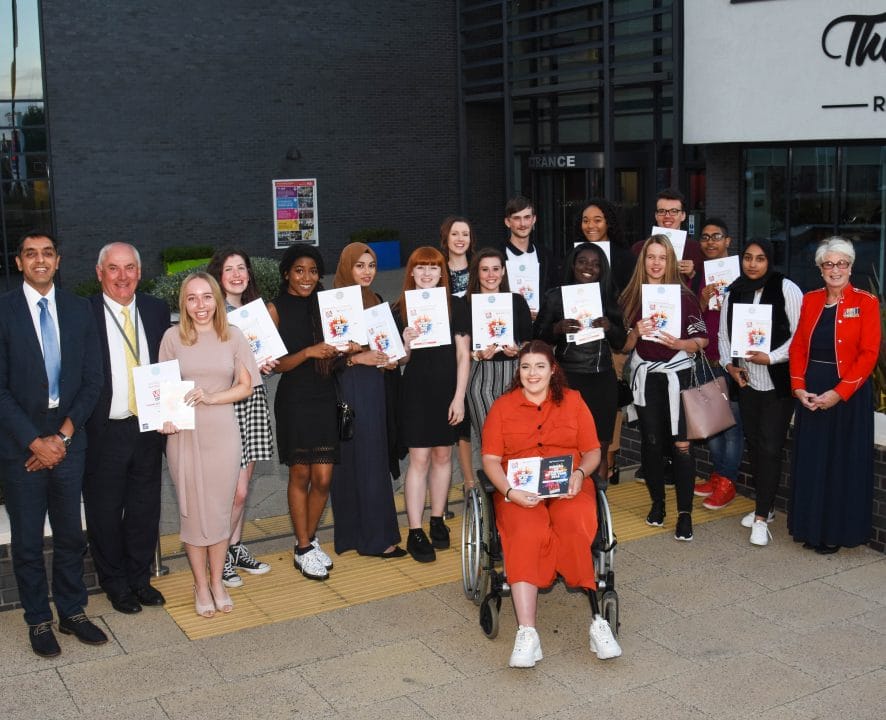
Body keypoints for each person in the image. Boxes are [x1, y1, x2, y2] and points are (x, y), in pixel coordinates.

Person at [481, 341, 621, 668]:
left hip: (568, 485)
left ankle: (597, 623)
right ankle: (527, 633)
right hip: (519, 490)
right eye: (526, 367)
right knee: (525, 530)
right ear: (519, 371)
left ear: (553, 370)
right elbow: (489, 460)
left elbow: (592, 450)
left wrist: (581, 474)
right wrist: (510, 491)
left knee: (573, 522)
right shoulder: (503, 407)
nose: (533, 374)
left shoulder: (573, 402)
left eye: (540, 366)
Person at [0, 231, 105, 657]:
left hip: (68, 437)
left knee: (69, 535)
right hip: (19, 442)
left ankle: (72, 611)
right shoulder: (3, 311)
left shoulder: (79, 310)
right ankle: (37, 619)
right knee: (26, 540)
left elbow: (93, 380)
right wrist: (34, 441)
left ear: (58, 261)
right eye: (31, 254)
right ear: (19, 262)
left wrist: (60, 437)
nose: (40, 260)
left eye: (47, 253)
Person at [159, 272, 259, 617]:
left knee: (218, 511)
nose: (200, 305)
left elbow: (245, 386)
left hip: (222, 432)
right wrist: (164, 416)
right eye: (191, 298)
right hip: (184, 434)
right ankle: (200, 584)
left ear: (216, 299)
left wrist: (213, 397)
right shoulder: (172, 337)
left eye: (206, 297)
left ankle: (217, 581)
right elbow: (160, 387)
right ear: (183, 303)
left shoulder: (233, 336)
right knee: (191, 511)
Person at [84, 242, 170, 616]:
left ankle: (140, 579)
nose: (123, 276)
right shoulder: (83, 312)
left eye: (130, 268)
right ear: (99, 272)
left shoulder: (154, 309)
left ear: (140, 271)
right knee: (105, 512)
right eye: (114, 269)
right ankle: (115, 583)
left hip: (148, 427)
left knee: (144, 508)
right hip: (104, 430)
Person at [788, 237, 880, 554]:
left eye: (842, 263)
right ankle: (809, 528)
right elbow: (799, 346)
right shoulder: (810, 300)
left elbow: (868, 355)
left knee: (841, 464)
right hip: (812, 390)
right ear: (820, 268)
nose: (835, 269)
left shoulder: (866, 302)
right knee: (813, 461)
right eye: (829, 264)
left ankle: (835, 532)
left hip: (848, 394)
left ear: (851, 267)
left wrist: (838, 394)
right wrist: (798, 386)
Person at [620, 235, 708, 541]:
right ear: (643, 260)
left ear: (670, 262)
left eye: (662, 257)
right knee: (652, 443)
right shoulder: (632, 297)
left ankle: (685, 513)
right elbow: (623, 346)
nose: (656, 263)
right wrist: (635, 331)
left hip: (678, 377)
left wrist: (680, 343)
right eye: (651, 257)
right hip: (647, 378)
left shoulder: (685, 297)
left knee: (682, 446)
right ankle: (658, 503)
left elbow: (702, 341)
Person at [718, 239, 802, 547]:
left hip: (777, 385)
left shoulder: (786, 289)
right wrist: (729, 365)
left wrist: (772, 357)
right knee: (754, 446)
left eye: (760, 258)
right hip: (747, 383)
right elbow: (723, 335)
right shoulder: (734, 291)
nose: (753, 264)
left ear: (770, 261)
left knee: (769, 448)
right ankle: (763, 506)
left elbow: (800, 335)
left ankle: (761, 519)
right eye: (748, 258)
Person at [268, 245, 340, 581]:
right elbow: (273, 365)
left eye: (312, 271)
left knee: (323, 478)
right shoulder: (275, 309)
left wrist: (350, 347)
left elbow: (341, 347)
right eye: (299, 270)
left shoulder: (330, 305)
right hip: (294, 397)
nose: (306, 277)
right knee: (301, 475)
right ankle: (302, 546)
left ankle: (308, 541)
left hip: (325, 395)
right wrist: (309, 351)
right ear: (286, 274)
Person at [394, 246, 470, 563]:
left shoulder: (456, 306)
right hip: (415, 389)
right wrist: (406, 342)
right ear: (411, 272)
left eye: (433, 268)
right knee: (419, 459)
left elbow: (463, 354)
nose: (427, 273)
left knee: (443, 455)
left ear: (442, 274)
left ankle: (437, 518)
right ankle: (414, 529)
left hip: (447, 389)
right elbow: (400, 359)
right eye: (420, 268)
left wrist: (459, 397)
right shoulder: (400, 308)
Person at [329, 242, 405, 558]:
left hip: (375, 385)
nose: (366, 272)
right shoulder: (333, 302)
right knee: (357, 459)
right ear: (347, 266)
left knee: (371, 458)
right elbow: (327, 353)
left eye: (371, 265)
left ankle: (365, 536)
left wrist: (392, 359)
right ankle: (371, 539)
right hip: (351, 385)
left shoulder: (375, 300)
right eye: (359, 265)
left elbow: (387, 349)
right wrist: (358, 359)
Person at [207, 248, 274, 588]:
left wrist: (264, 363)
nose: (236, 274)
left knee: (242, 491)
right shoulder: (211, 313)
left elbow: (261, 357)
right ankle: (219, 557)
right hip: (225, 404)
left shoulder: (254, 313)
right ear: (218, 275)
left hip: (252, 401)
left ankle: (233, 548)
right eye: (229, 269)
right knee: (231, 491)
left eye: (242, 268)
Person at [534, 242, 627, 486]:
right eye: (583, 262)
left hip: (602, 380)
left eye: (596, 264)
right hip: (568, 379)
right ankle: (564, 499)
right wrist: (556, 328)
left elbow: (621, 342)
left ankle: (598, 507)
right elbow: (538, 336)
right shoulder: (555, 296)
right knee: (565, 444)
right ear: (573, 264)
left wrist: (610, 327)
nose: (589, 268)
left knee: (600, 445)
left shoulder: (607, 296)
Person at [575, 198, 633, 484]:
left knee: (610, 408)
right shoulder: (577, 254)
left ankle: (607, 465)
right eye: (586, 220)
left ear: (608, 222)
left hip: (612, 342)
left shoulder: (624, 257)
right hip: (582, 345)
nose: (591, 225)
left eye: (597, 219)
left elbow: (632, 298)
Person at [691, 219, 743, 510]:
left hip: (729, 359)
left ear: (728, 240)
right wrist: (701, 300)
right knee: (711, 423)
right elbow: (695, 318)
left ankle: (728, 480)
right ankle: (718, 474)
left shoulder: (741, 277)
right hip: (703, 357)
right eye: (705, 237)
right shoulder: (703, 276)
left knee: (732, 424)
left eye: (717, 237)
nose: (710, 242)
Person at [465, 247, 532, 439]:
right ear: (477, 273)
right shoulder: (466, 304)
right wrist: (476, 354)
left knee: (518, 439)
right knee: (491, 441)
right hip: (480, 380)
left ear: (503, 271)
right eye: (485, 269)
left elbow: (528, 341)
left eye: (496, 268)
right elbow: (460, 349)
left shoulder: (518, 302)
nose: (491, 275)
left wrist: (519, 350)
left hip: (515, 379)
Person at [441, 215, 477, 496]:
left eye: (465, 234)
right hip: (449, 350)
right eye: (455, 234)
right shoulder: (437, 270)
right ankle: (468, 482)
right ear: (446, 237)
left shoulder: (480, 268)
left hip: (484, 348)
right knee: (460, 419)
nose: (460, 239)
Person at [632, 189, 705, 291]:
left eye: (674, 211)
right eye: (662, 211)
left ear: (683, 216)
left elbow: (704, 289)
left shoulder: (695, 249)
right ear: (656, 215)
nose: (667, 216)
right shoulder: (638, 248)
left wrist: (692, 274)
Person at [498, 196, 558, 317]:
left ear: (534, 219)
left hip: (540, 328)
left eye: (527, 217)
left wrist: (544, 314)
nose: (523, 224)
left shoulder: (545, 256)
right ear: (507, 222)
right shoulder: (497, 254)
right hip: (508, 324)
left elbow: (553, 292)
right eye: (516, 218)